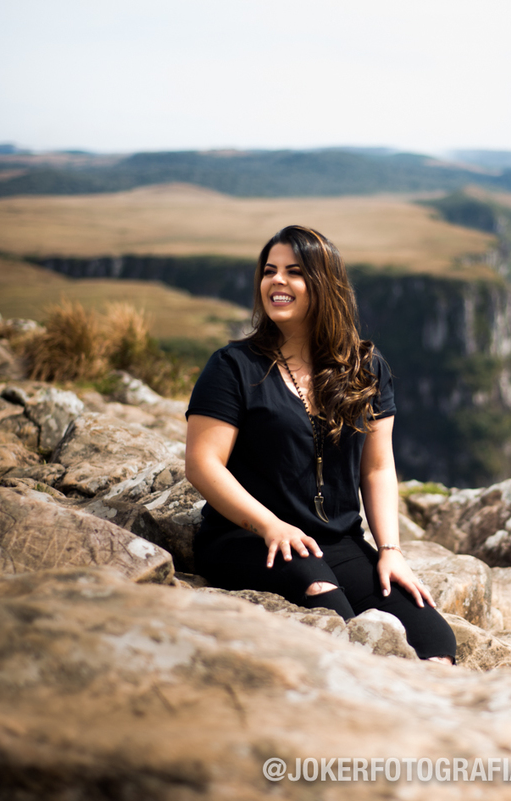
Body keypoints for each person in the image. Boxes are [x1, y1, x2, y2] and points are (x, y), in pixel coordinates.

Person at [184, 225, 457, 663]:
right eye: (269, 271)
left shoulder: (365, 367)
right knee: (333, 615)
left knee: (434, 640)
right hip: (248, 537)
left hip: (337, 541)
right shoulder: (232, 366)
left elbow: (378, 469)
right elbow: (202, 463)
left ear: (324, 284)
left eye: (294, 272)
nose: (277, 281)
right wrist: (270, 525)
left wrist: (390, 551)